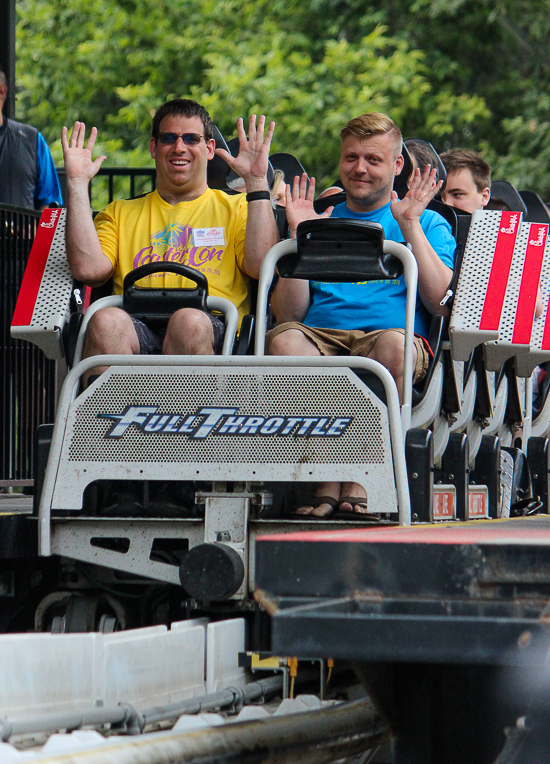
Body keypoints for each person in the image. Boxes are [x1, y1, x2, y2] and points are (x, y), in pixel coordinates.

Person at [266, 112, 456, 517]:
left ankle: (358, 478)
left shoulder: (427, 220)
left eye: (373, 159)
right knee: (283, 342)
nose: (360, 169)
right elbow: (286, 314)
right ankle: (326, 476)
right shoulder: (321, 219)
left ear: (396, 166)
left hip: (392, 336)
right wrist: (301, 240)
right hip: (322, 336)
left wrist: (409, 226)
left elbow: (441, 302)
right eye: (351, 158)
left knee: (390, 347)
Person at [62, 98, 278, 386]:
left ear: (210, 149)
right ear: (154, 147)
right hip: (135, 324)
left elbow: (261, 266)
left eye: (191, 138)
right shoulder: (119, 212)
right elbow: (89, 270)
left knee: (188, 322)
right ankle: (109, 429)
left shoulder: (237, 208)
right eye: (169, 138)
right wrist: (77, 184)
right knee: (104, 322)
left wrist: (256, 182)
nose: (179, 147)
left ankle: (185, 430)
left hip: (207, 325)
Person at [0, 66, 62, 210]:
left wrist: (36, 228)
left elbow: (52, 205)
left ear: (2, 91)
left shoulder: (31, 139)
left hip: (20, 232)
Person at [440, 148, 491, 214]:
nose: (446, 203)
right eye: (439, 197)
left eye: (457, 194)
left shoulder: (504, 223)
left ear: (484, 197)